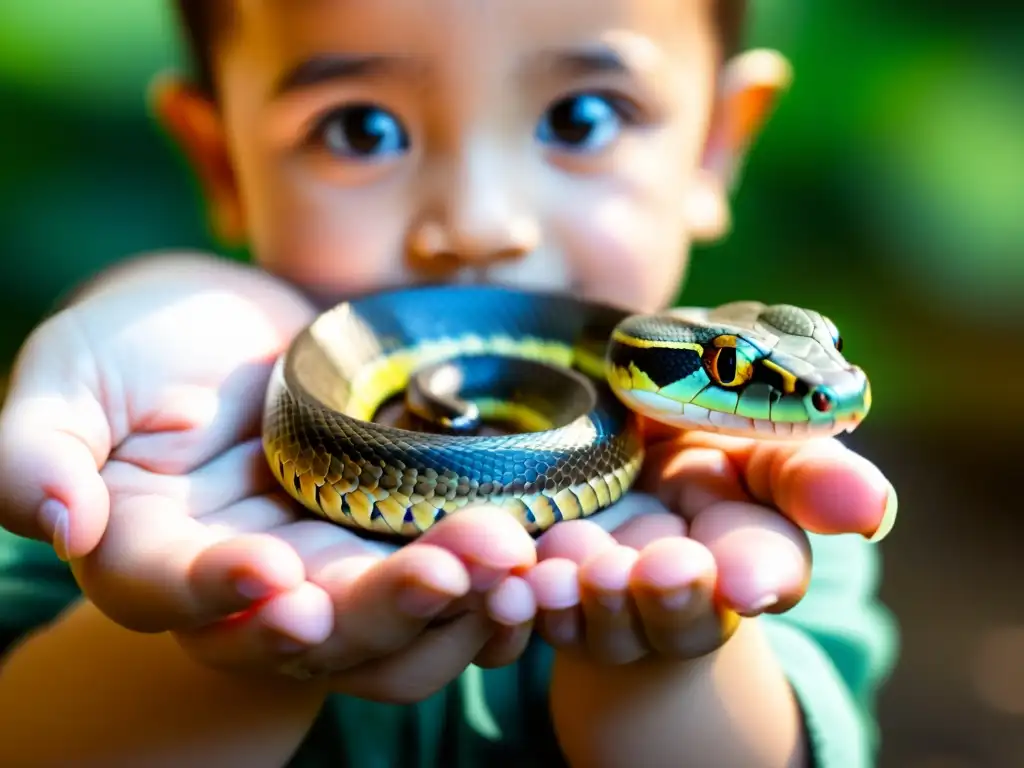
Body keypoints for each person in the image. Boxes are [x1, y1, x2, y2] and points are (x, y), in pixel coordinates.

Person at [0, 0, 899, 765]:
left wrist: (664, 650)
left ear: (716, 142)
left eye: (582, 116)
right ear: (221, 159)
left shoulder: (745, 496)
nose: (479, 224)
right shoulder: (156, 468)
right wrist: (224, 649)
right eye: (363, 128)